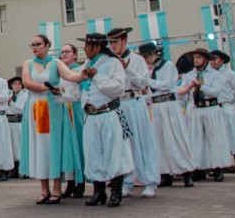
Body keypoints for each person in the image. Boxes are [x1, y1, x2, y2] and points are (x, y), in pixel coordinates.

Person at [20, 34, 86, 205]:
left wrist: (84, 74)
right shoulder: (28, 64)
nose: (35, 47)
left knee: (55, 146)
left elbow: (71, 76)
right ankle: (44, 189)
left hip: (54, 110)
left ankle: (57, 188)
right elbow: (27, 83)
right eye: (32, 44)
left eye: (38, 44)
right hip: (35, 109)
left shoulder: (57, 63)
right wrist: (49, 88)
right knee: (39, 147)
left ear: (47, 45)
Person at [78, 33, 134, 207]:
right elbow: (81, 90)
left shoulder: (113, 63)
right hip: (91, 115)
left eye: (87, 46)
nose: (85, 49)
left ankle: (116, 191)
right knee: (93, 153)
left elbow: (118, 88)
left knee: (113, 151)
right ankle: (98, 191)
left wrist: (97, 76)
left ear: (96, 47)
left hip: (108, 113)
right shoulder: (87, 64)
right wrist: (62, 94)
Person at [107, 27, 160, 198]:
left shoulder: (136, 60)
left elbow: (144, 83)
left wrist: (127, 68)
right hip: (118, 103)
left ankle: (150, 181)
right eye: (110, 42)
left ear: (124, 40)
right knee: (123, 145)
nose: (112, 45)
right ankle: (127, 181)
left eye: (115, 41)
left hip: (134, 101)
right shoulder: (110, 61)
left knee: (142, 141)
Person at [139, 42, 195, 187]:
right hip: (156, 106)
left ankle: (186, 172)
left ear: (153, 54)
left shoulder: (168, 66)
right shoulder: (147, 71)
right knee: (160, 140)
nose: (145, 60)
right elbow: (149, 91)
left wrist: (148, 80)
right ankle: (164, 172)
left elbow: (167, 85)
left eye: (146, 56)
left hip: (169, 105)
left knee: (176, 137)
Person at [178, 49, 232, 181]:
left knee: (214, 139)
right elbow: (184, 94)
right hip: (195, 109)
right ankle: (198, 168)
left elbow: (216, 92)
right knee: (196, 140)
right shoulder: (189, 75)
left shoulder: (214, 74)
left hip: (211, 108)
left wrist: (201, 87)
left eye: (198, 57)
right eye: (194, 58)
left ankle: (218, 168)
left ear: (205, 59)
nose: (195, 60)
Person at [209, 49, 235, 177]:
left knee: (234, 137)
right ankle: (218, 168)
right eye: (211, 59)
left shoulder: (229, 74)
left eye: (215, 59)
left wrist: (229, 99)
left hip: (226, 107)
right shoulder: (208, 74)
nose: (212, 62)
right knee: (216, 139)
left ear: (221, 60)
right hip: (214, 109)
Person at [58, 44, 86, 198]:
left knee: (78, 146)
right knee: (67, 147)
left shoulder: (79, 71)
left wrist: (62, 94)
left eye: (67, 51)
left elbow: (79, 93)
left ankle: (81, 183)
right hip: (63, 111)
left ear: (75, 54)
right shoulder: (60, 72)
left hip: (76, 111)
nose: (64, 54)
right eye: (62, 52)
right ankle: (69, 183)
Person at [6, 77, 28, 180]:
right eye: (15, 83)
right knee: (11, 146)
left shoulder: (25, 95)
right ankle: (13, 168)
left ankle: (23, 169)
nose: (17, 85)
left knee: (20, 145)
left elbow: (22, 109)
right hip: (9, 122)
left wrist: (12, 103)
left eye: (19, 83)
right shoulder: (8, 95)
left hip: (19, 122)